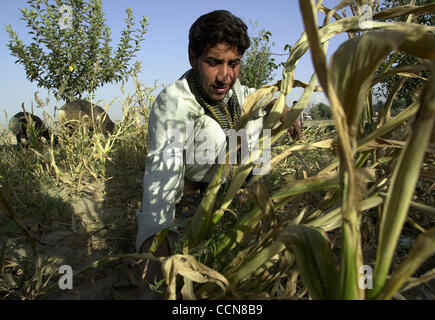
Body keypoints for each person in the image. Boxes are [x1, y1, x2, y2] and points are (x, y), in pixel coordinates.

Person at [135, 10, 297, 298]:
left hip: (229, 179)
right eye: (214, 63)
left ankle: (250, 190)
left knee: (257, 116)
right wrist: (155, 257)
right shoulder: (174, 105)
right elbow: (160, 181)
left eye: (233, 63)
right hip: (194, 192)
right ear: (193, 57)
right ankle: (196, 197)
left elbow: (252, 94)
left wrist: (281, 105)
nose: (225, 76)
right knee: (211, 131)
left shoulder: (233, 89)